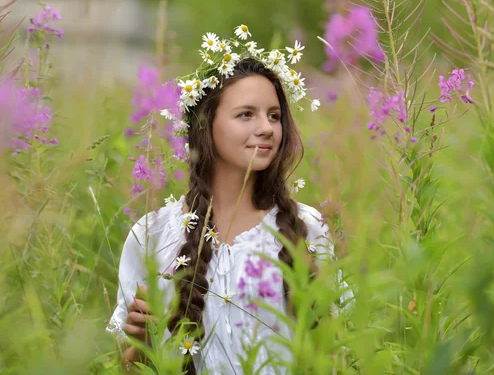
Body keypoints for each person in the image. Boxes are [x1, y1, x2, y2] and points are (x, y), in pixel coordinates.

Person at [106, 26, 352, 374]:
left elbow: (335, 356)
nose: (267, 128)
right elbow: (131, 368)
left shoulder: (306, 229)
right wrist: (140, 340)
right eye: (246, 114)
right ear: (206, 126)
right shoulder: (154, 235)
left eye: (274, 115)